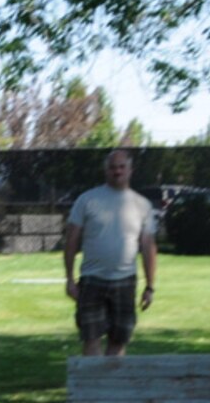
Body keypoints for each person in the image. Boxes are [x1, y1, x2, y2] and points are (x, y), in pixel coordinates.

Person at [63, 149, 157, 357]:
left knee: (119, 341)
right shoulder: (87, 200)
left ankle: (112, 388)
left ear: (130, 170)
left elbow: (149, 246)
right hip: (91, 281)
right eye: (113, 167)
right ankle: (93, 389)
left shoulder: (142, 205)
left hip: (125, 281)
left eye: (122, 167)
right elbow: (71, 240)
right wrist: (70, 279)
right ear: (106, 170)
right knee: (91, 339)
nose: (117, 171)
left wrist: (150, 287)